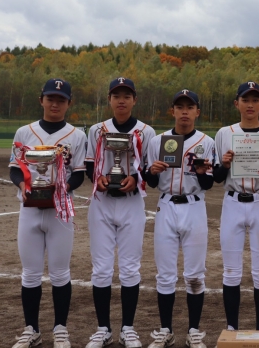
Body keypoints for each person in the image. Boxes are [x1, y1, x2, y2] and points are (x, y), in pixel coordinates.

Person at [9, 78, 87, 348]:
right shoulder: (24, 132)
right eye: (51, 98)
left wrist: (61, 190)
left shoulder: (76, 136)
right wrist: (24, 186)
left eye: (61, 100)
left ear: (69, 103)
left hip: (59, 213)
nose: (55, 104)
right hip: (29, 210)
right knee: (30, 274)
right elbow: (15, 169)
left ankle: (60, 329)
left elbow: (79, 174)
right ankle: (31, 329)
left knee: (60, 273)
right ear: (41, 99)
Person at [84, 77, 156, 348]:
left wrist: (136, 179)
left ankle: (128, 328)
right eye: (117, 96)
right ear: (110, 99)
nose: (122, 100)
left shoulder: (146, 131)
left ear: (134, 100)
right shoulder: (97, 130)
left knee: (129, 268)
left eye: (127, 96)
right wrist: (99, 178)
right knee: (101, 269)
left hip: (132, 204)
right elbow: (90, 165)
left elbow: (148, 168)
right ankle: (103, 329)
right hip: (102, 203)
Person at [144, 89, 215, 348]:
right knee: (165, 274)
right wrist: (152, 171)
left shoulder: (207, 142)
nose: (185, 111)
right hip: (166, 206)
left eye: (189, 107)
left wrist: (201, 173)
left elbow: (209, 183)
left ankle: (194, 330)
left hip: (194, 207)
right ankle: (166, 330)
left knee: (195, 274)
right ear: (172, 111)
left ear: (197, 112)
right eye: (180, 107)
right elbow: (151, 182)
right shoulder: (158, 141)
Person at [212, 82, 259, 331]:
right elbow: (216, 177)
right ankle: (232, 327)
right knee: (231, 271)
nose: (250, 104)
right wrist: (224, 165)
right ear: (237, 103)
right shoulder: (224, 133)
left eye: (255, 100)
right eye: (245, 99)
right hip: (232, 202)